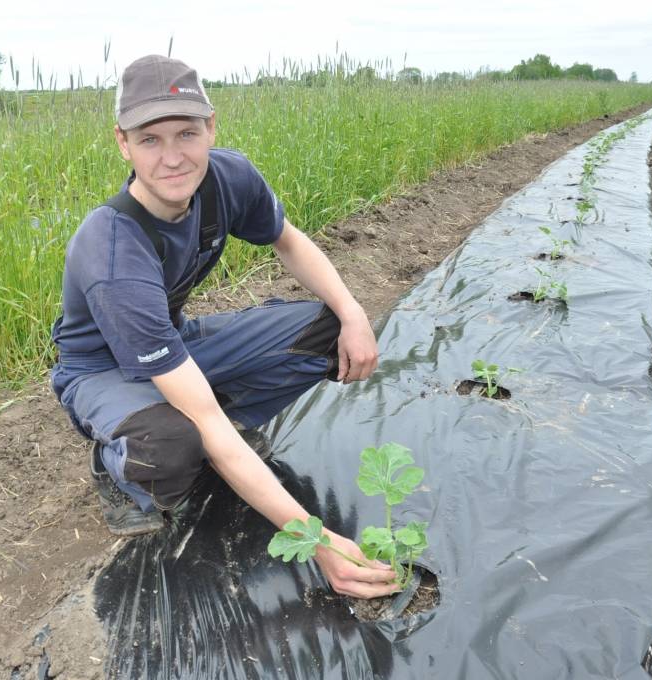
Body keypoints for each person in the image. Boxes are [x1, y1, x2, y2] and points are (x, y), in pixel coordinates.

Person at [49, 54, 397, 599]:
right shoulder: (113, 250)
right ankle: (116, 466)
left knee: (330, 334)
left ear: (211, 127)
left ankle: (217, 433)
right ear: (123, 143)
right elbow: (203, 419)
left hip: (174, 343)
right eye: (150, 140)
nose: (172, 158)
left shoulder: (228, 178)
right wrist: (318, 541)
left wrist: (354, 315)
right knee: (171, 445)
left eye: (186, 133)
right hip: (101, 370)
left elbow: (289, 239)